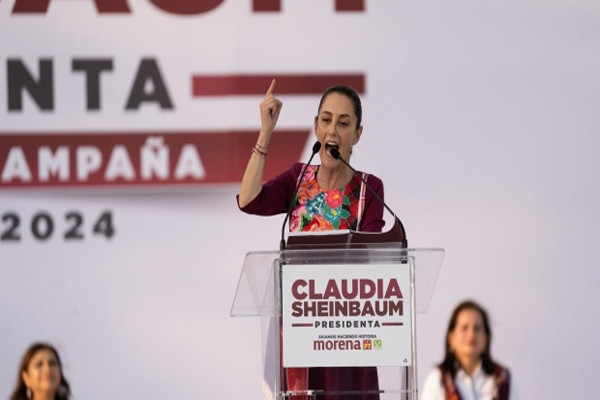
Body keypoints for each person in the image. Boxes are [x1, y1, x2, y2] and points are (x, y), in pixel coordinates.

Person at [237, 80, 385, 399]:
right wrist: (266, 132)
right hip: (298, 332)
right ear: (316, 127)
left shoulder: (368, 190)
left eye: (344, 124)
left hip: (346, 337)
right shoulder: (297, 178)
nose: (333, 130)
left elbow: (373, 258)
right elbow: (248, 200)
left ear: (357, 134)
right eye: (326, 120)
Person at [421, 301, 518, 400]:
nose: (471, 334)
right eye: (464, 328)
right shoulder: (437, 381)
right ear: (451, 337)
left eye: (477, 328)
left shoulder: (503, 379)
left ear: (487, 337)